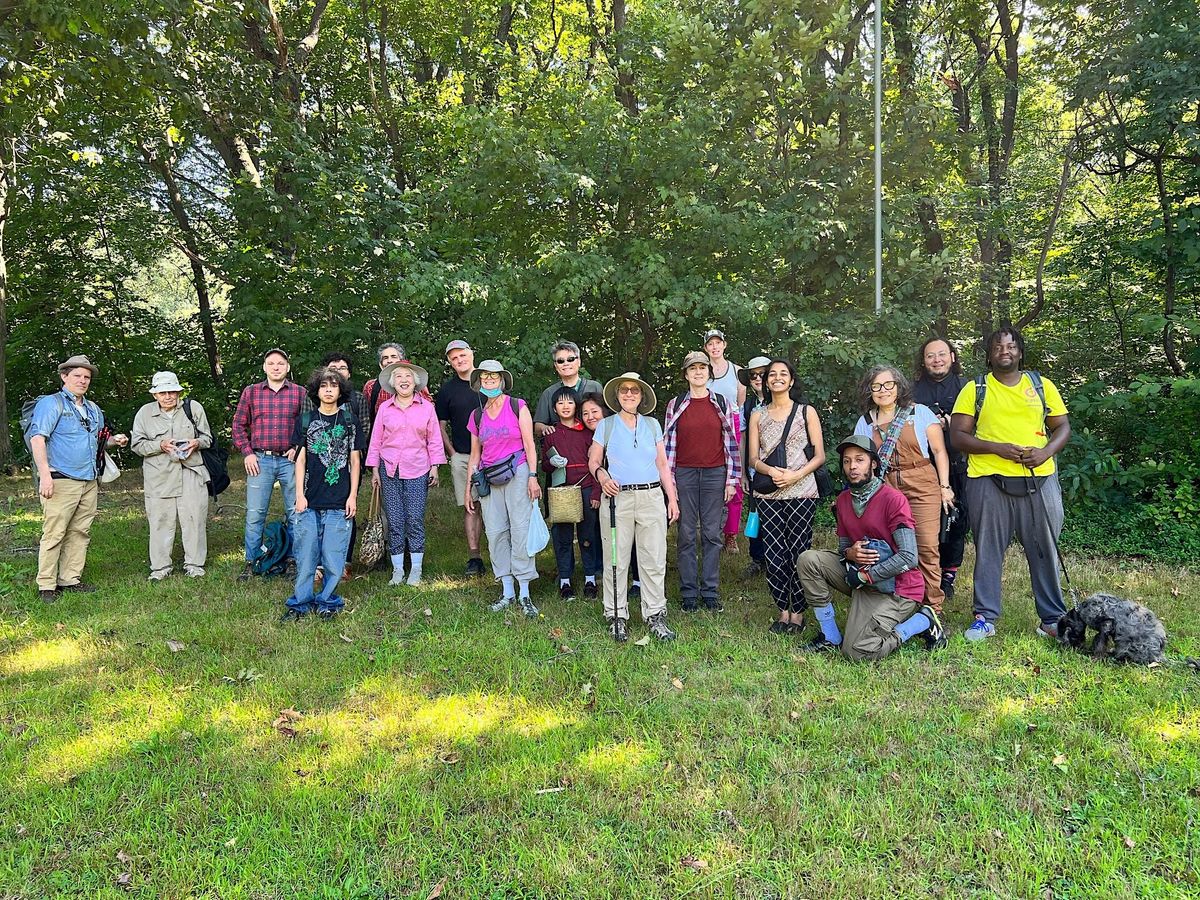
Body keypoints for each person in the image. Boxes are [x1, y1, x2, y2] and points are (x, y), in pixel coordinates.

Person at [951, 324, 1071, 642]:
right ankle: (984, 617)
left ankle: (1052, 619)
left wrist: (1045, 452)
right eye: (998, 347)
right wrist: (997, 448)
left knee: (1044, 548)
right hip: (988, 479)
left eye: (1011, 346)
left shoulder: (1042, 385)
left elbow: (1062, 427)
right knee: (988, 549)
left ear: (1020, 351)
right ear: (989, 356)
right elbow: (958, 436)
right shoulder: (975, 389)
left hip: (1038, 479)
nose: (1005, 351)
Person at [796, 435, 945, 659]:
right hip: (861, 578)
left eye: (859, 460)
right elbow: (843, 549)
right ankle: (830, 637)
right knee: (808, 560)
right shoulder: (844, 500)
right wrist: (850, 553)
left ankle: (923, 621)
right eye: (847, 461)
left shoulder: (894, 500)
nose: (852, 467)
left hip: (897, 589)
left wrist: (866, 577)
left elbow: (908, 557)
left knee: (858, 652)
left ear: (873, 463)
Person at [27, 355, 129, 602]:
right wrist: (45, 476)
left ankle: (70, 580)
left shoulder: (93, 409)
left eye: (87, 377)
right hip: (60, 479)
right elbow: (37, 438)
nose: (82, 381)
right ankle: (47, 586)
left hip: (89, 480)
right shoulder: (52, 404)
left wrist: (116, 440)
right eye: (77, 376)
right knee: (54, 532)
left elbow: (98, 440)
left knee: (80, 531)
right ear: (64, 377)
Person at [588, 372, 681, 643]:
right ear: (617, 395)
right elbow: (593, 460)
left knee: (653, 558)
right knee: (616, 559)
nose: (629, 394)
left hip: (652, 497)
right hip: (618, 500)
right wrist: (603, 477)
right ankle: (616, 616)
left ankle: (655, 615)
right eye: (624, 390)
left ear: (642, 396)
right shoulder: (605, 425)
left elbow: (663, 465)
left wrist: (672, 498)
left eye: (635, 391)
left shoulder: (652, 425)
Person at [854, 365, 954, 612]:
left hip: (922, 484)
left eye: (888, 384)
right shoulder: (865, 422)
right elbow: (861, 460)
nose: (883, 390)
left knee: (927, 546)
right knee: (895, 546)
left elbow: (939, 451)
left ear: (898, 387)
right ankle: (904, 603)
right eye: (876, 386)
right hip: (886, 489)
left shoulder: (919, 413)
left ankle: (932, 608)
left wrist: (944, 487)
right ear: (870, 391)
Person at [747, 359, 825, 634]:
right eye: (772, 374)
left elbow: (820, 455)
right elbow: (753, 458)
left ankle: (799, 612)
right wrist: (770, 470)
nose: (777, 378)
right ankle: (783, 610)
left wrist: (795, 475)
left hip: (802, 491)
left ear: (791, 381)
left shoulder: (806, 412)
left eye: (783, 374)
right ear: (766, 381)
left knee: (799, 552)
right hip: (768, 493)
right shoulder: (758, 414)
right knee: (774, 552)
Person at [281, 367, 364, 620]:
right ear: (317, 391)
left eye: (334, 386)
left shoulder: (350, 421)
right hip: (309, 499)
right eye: (324, 386)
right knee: (306, 556)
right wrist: (299, 494)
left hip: (339, 500)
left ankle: (328, 601)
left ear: (341, 391)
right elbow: (300, 459)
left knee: (333, 556)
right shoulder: (305, 421)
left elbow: (355, 460)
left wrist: (352, 496)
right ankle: (300, 603)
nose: (329, 391)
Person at [663, 351, 741, 612]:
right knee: (685, 533)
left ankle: (709, 591)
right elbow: (667, 446)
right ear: (686, 374)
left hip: (715, 474)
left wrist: (732, 480)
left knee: (712, 533)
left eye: (702, 368)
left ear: (710, 372)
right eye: (692, 368)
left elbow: (731, 444)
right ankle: (688, 593)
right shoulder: (675, 404)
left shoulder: (722, 403)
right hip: (684, 473)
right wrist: (670, 482)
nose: (698, 372)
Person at [465, 360, 543, 616]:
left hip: (518, 472)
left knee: (520, 529)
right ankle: (507, 591)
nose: (489, 380)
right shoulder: (476, 415)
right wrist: (469, 489)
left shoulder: (517, 406)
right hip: (488, 478)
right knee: (496, 531)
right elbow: (475, 454)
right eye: (484, 376)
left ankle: (524, 593)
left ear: (502, 380)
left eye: (493, 376)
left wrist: (533, 475)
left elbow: (530, 445)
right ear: (479, 382)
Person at [367, 359, 445, 586]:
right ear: (392, 383)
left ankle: (416, 570)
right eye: (399, 376)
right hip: (389, 469)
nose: (404, 380)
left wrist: (435, 467)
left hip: (418, 468)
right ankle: (398, 570)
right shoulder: (384, 408)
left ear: (415, 382)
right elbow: (376, 441)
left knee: (414, 518)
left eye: (408, 376)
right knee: (395, 520)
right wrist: (374, 469)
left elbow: (434, 440)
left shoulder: (427, 408)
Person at [232, 348, 306, 579]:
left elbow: (307, 425)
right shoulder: (251, 392)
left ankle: (293, 559)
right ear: (264, 367)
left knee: (296, 512)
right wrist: (247, 453)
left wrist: (297, 448)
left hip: (289, 461)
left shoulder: (299, 393)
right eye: (271, 363)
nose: (276, 367)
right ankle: (252, 560)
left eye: (281, 363)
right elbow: (238, 426)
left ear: (288, 367)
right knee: (255, 513)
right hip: (260, 460)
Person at [131, 371, 212, 580]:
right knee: (159, 521)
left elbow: (208, 439)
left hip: (191, 473)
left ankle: (194, 565)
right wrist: (160, 445)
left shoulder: (193, 409)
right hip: (158, 477)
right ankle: (160, 568)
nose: (168, 396)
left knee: (194, 520)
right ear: (154, 395)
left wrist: (196, 443)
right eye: (162, 392)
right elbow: (137, 445)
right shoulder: (144, 414)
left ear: (179, 392)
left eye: (172, 392)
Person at [301, 351, 371, 581]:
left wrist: (355, 456)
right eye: (333, 368)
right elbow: (303, 441)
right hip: (316, 471)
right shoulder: (310, 411)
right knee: (316, 517)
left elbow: (363, 428)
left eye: (342, 368)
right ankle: (318, 564)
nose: (330, 387)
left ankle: (343, 562)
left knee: (344, 512)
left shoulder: (357, 401)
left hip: (347, 464)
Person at [912, 337, 971, 600]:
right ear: (923, 361)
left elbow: (981, 424)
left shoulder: (967, 387)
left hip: (959, 465)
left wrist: (952, 424)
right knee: (922, 523)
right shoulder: (911, 391)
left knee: (956, 521)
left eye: (941, 354)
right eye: (930, 356)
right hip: (922, 466)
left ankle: (948, 575)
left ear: (952, 357)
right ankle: (920, 572)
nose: (936, 360)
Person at [540, 387, 601, 599]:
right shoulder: (551, 434)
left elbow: (597, 464)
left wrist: (596, 492)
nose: (565, 407)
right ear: (554, 408)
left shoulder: (587, 432)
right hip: (561, 492)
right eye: (560, 403)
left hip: (585, 487)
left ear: (576, 405)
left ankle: (590, 578)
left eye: (570, 403)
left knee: (588, 535)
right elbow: (545, 466)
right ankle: (565, 580)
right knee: (562, 535)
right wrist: (550, 462)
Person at [435, 340, 485, 575]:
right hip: (463, 456)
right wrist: (452, 453)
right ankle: (474, 557)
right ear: (450, 363)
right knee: (471, 505)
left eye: (462, 355)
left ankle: (500, 553)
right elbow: (440, 425)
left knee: (496, 507)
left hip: (494, 457)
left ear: (471, 354)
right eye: (454, 358)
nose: (459, 360)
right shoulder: (447, 390)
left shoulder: (489, 381)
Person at [703, 329, 747, 553]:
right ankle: (712, 534)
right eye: (710, 344)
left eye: (718, 342)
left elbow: (739, 405)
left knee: (734, 482)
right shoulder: (702, 371)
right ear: (706, 348)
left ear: (724, 345)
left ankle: (731, 535)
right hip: (708, 431)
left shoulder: (737, 371)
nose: (715, 347)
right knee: (712, 482)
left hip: (732, 428)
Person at [738, 355, 771, 577]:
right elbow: (742, 440)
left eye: (762, 373)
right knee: (755, 515)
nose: (758, 378)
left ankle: (778, 559)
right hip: (753, 471)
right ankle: (757, 559)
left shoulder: (784, 402)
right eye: (753, 375)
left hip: (780, 470)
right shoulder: (748, 406)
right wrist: (741, 472)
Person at [532, 341, 604, 438]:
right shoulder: (549, 393)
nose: (566, 363)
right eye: (560, 361)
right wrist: (544, 428)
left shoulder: (595, 387)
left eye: (570, 359)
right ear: (556, 366)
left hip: (594, 443)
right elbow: (537, 427)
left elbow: (607, 419)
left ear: (579, 362)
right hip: (563, 446)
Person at [361, 343, 407, 427]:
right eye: (385, 358)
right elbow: (365, 417)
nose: (389, 360)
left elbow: (428, 413)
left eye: (393, 357)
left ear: (402, 360)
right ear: (380, 364)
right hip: (381, 436)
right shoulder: (371, 386)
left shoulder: (414, 384)